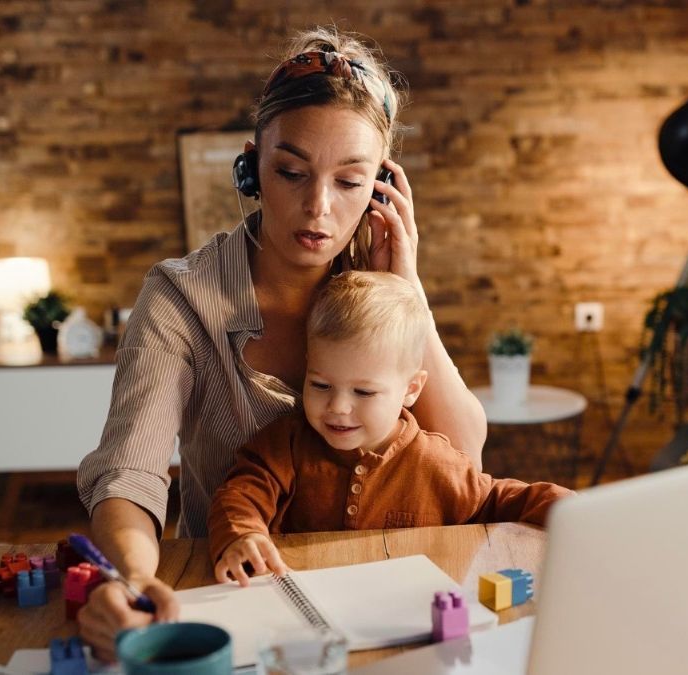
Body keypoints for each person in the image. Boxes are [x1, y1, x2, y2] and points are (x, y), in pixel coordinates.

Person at [74, 27, 488, 660]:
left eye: (350, 182)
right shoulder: (180, 298)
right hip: (235, 591)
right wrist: (131, 579)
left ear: (382, 187)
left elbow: (461, 455)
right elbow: (131, 473)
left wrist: (407, 289)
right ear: (252, 166)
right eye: (291, 172)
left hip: (387, 594)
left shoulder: (379, 286)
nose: (317, 207)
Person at [210, 271, 572, 586]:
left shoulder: (436, 463)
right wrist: (243, 536)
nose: (337, 407)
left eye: (363, 391)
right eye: (320, 385)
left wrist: (575, 513)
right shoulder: (284, 445)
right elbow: (239, 495)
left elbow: (497, 500)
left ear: (411, 389)